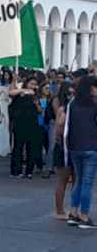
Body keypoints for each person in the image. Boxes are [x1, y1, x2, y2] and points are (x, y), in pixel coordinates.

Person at [64, 75, 97, 229]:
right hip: (91, 146)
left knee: (79, 180)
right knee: (87, 182)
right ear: (90, 88)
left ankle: (73, 212)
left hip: (74, 146)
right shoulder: (95, 104)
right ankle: (84, 216)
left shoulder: (72, 103)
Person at [9, 76, 42, 179]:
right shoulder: (19, 93)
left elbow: (40, 111)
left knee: (31, 148)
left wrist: (36, 103)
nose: (32, 86)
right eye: (31, 83)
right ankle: (16, 170)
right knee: (18, 147)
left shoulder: (36, 96)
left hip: (32, 124)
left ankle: (29, 171)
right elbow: (11, 93)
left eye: (34, 84)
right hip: (20, 123)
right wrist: (23, 90)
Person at [51, 82, 74, 219]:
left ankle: (63, 210)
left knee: (64, 180)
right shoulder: (64, 109)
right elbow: (59, 128)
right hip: (67, 146)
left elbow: (58, 130)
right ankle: (65, 210)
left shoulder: (63, 109)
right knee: (66, 180)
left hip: (65, 145)